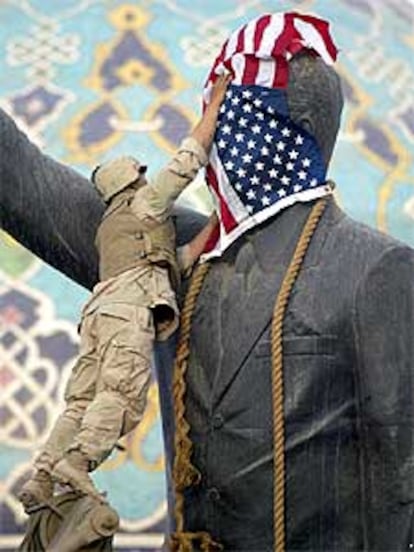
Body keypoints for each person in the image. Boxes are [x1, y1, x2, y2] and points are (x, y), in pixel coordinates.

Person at [1, 12, 413, 551]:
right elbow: (25, 185)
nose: (214, 134)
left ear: (291, 132)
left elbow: (402, 476)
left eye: (232, 115)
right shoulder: (175, 260)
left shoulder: (375, 268)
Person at [17, 73, 229, 511]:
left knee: (80, 401)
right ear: (131, 183)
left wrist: (217, 223)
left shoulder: (113, 229)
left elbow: (178, 261)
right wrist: (215, 107)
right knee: (122, 394)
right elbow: (187, 161)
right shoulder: (146, 204)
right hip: (129, 310)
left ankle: (42, 474)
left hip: (99, 312)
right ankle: (79, 461)